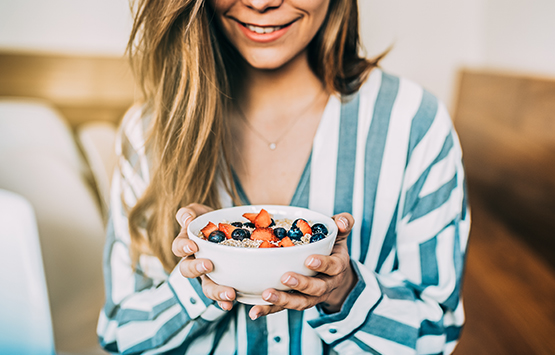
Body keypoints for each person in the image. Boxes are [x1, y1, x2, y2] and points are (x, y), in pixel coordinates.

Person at [97, 0, 470, 353]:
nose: (261, 3)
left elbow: (437, 336)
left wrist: (344, 292)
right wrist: (197, 281)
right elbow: (120, 333)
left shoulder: (413, 123)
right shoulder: (150, 131)